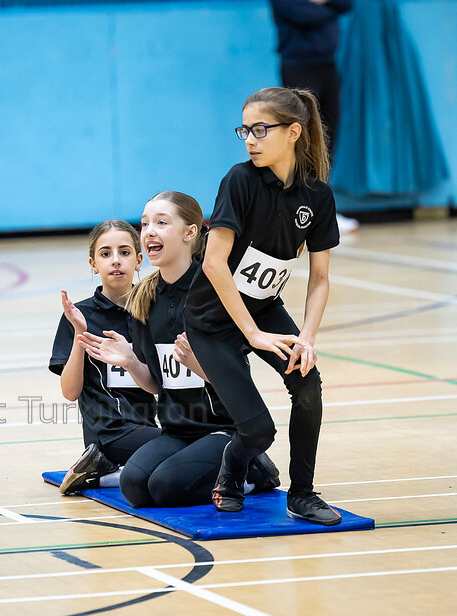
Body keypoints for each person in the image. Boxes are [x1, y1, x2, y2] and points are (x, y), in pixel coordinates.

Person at [185, 87, 341, 525]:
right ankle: (231, 473)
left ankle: (303, 495)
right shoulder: (239, 180)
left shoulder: (318, 196)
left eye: (260, 130)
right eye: (245, 130)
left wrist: (306, 337)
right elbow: (214, 265)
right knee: (257, 430)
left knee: (308, 387)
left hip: (265, 309)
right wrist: (251, 333)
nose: (250, 139)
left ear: (293, 132)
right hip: (212, 321)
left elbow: (321, 278)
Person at [77, 192, 279, 508]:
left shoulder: (215, 291)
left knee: (166, 486)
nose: (149, 232)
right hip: (177, 430)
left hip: (222, 429)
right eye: (144, 224)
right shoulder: (144, 298)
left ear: (189, 233)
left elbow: (238, 380)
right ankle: (225, 470)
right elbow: (157, 384)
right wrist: (130, 361)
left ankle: (250, 473)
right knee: (134, 486)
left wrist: (201, 366)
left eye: (161, 223)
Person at [49, 220, 159, 494]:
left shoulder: (154, 313)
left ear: (139, 260)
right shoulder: (80, 315)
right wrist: (80, 334)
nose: (116, 261)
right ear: (93, 264)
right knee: (184, 451)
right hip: (108, 433)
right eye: (105, 254)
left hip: (149, 426)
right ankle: (103, 465)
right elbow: (70, 392)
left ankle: (104, 474)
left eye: (124, 252)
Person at [270, 0, 359, 234]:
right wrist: (325, 7)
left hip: (328, 65)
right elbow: (306, 15)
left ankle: (321, 209)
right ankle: (295, 209)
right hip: (298, 66)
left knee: (328, 137)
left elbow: (346, 4)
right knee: (301, 139)